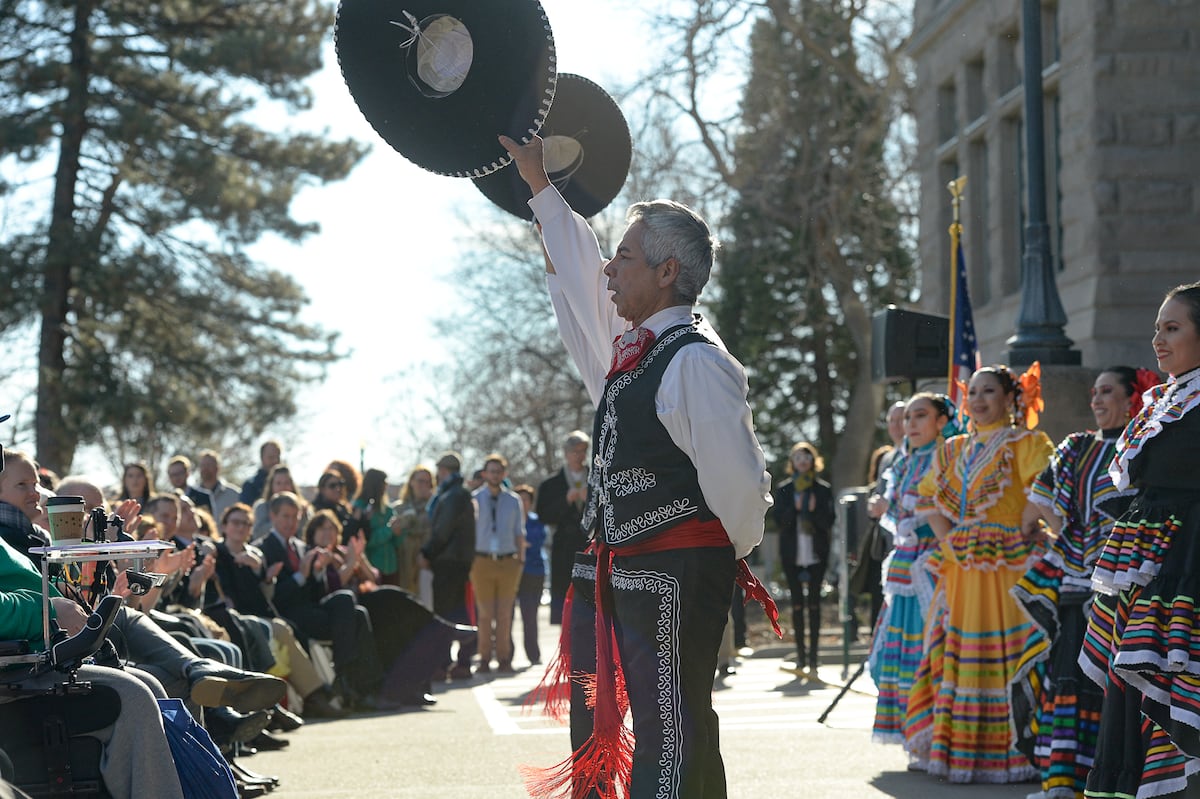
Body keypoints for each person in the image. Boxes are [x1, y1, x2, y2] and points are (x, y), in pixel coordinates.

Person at [501, 133, 774, 798]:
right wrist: (539, 186)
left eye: (623, 257)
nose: (608, 270)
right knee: (613, 720)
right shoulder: (632, 352)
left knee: (670, 730)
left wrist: (712, 556)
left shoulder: (695, 361)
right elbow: (578, 278)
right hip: (620, 572)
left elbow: (741, 490)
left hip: (675, 575)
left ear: (667, 272)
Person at [1007, 366, 1156, 799]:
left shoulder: (1147, 443)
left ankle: (1113, 781)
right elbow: (1040, 501)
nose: (1096, 400)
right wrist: (1074, 538)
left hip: (1131, 580)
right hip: (1078, 580)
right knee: (1071, 674)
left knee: (1117, 678)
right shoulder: (1077, 446)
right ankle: (1066, 781)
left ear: (1132, 398)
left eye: (1107, 391)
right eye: (1094, 392)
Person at [902, 364, 1054, 783]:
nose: (978, 399)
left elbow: (1044, 488)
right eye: (972, 392)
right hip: (965, 565)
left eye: (989, 391)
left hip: (1011, 562)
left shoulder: (1027, 441)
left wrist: (1025, 524)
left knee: (1017, 649)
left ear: (1010, 398)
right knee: (959, 647)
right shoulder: (953, 449)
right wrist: (950, 540)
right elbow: (927, 499)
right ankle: (967, 750)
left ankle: (1020, 750)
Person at [1081, 282, 1200, 798]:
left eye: (1172, 328)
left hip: (1188, 567)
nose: (1158, 340)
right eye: (1156, 328)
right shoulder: (1165, 402)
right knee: (1135, 688)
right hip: (1147, 569)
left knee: (1177, 685)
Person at [868, 393, 956, 748]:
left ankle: (936, 735)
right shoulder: (903, 463)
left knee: (928, 647)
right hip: (905, 566)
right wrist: (884, 509)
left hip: (935, 562)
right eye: (908, 418)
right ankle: (914, 734)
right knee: (898, 650)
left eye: (920, 416)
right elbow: (898, 514)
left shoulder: (947, 457)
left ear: (941, 421)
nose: (911, 424)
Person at [259, 491, 382, 710]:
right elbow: (273, 596)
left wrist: (317, 572)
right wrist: (301, 576)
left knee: (355, 611)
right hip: (289, 614)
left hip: (313, 610)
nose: (290, 522)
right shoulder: (263, 548)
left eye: (295, 517)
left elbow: (318, 592)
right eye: (285, 516)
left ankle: (361, 685)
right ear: (273, 516)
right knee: (350, 609)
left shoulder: (301, 547)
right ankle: (347, 680)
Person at [772, 441, 836, 678]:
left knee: (815, 605)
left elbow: (828, 521)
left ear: (813, 461)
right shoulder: (785, 489)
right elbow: (779, 520)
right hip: (793, 553)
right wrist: (796, 508)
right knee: (797, 605)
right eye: (798, 457)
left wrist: (813, 510)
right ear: (792, 462)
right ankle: (800, 656)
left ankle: (814, 659)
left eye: (807, 457)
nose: (803, 461)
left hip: (816, 552)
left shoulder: (822, 489)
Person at [420, 452, 478, 680]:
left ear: (444, 470)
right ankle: (461, 662)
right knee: (458, 612)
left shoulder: (453, 495)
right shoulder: (457, 493)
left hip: (448, 561)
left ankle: (445, 663)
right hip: (457, 561)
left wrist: (427, 552)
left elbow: (443, 530)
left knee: (445, 614)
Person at [470, 454, 525, 675]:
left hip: (507, 560)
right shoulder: (474, 498)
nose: (495, 475)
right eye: (491, 471)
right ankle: (484, 658)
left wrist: (520, 559)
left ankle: (504, 658)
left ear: (504, 474)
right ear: (485, 474)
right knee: (485, 614)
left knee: (504, 614)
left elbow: (519, 531)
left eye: (498, 471)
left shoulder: (513, 500)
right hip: (482, 561)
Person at [536, 430, 590, 625]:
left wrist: (590, 501)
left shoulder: (596, 478)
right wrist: (565, 501)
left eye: (583, 451)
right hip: (563, 550)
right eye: (575, 451)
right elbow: (543, 515)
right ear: (566, 453)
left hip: (589, 547)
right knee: (565, 605)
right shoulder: (551, 484)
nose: (580, 456)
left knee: (589, 604)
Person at [514, 484, 546, 666]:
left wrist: (519, 543)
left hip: (533, 572)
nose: (522, 502)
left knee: (530, 615)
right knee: (507, 615)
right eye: (519, 499)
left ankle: (533, 654)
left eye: (525, 499)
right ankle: (506, 654)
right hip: (512, 571)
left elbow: (536, 541)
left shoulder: (536, 521)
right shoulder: (509, 521)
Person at [391, 465, 435, 595]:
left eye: (428, 482)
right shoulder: (399, 508)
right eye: (420, 481)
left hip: (426, 561)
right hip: (403, 561)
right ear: (411, 482)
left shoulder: (435, 507)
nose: (424, 485)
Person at [352, 468, 399, 585]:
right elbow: (366, 540)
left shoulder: (388, 510)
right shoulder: (360, 508)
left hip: (391, 567)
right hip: (371, 568)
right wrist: (389, 530)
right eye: (383, 484)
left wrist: (399, 531)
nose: (385, 487)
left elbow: (396, 542)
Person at [250, 464, 308, 541]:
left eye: (286, 483)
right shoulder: (262, 507)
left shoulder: (302, 507)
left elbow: (306, 535)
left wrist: (301, 518)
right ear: (272, 485)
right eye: (278, 483)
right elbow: (257, 533)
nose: (283, 487)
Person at [192, 450, 240, 524]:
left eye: (208, 465)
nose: (205, 468)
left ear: (218, 467)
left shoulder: (234, 495)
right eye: (202, 465)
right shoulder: (192, 496)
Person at [239, 440, 281, 505]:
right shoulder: (251, 486)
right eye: (271, 457)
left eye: (277, 457)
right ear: (262, 458)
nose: (275, 461)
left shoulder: (287, 484)